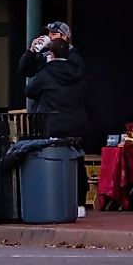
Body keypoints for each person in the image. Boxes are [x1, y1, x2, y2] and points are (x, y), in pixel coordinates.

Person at [24, 20, 100, 216]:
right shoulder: (69, 65)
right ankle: (77, 203)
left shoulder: (59, 65)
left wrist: (45, 63)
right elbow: (24, 69)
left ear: (65, 38)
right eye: (49, 34)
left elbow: (30, 89)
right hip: (75, 121)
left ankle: (56, 200)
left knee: (54, 160)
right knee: (76, 160)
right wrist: (31, 52)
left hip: (54, 121)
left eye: (54, 35)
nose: (50, 38)